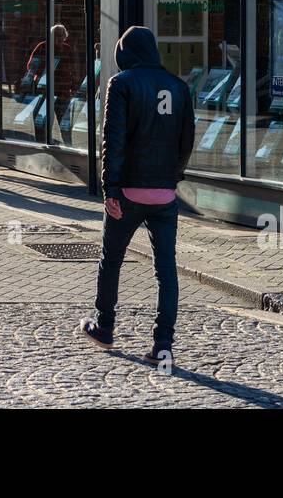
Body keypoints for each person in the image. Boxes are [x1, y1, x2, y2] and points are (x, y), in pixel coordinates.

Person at [80, 26, 195, 365]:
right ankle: (163, 346)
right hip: (164, 195)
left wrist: (110, 188)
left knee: (111, 260)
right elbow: (186, 139)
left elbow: (112, 140)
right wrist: (173, 177)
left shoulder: (122, 83)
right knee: (166, 270)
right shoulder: (179, 86)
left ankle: (104, 326)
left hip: (127, 192)